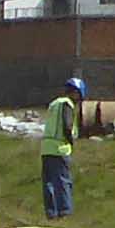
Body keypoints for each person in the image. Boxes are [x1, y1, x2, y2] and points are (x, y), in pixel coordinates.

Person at [37, 78, 83, 220]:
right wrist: (71, 141)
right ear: (76, 93)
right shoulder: (66, 104)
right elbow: (67, 125)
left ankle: (51, 213)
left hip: (46, 147)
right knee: (62, 181)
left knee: (48, 183)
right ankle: (64, 211)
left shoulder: (54, 103)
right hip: (60, 148)